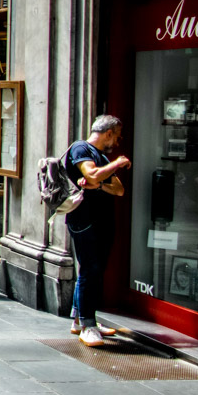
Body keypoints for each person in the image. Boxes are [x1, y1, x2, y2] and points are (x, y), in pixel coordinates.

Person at [64, 114, 130, 346]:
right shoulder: (81, 149)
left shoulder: (101, 156)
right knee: (90, 270)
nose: (118, 143)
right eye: (117, 136)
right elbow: (90, 174)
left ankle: (79, 318)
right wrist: (117, 164)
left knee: (94, 269)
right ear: (109, 133)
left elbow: (119, 189)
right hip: (84, 220)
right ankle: (88, 325)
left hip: (100, 220)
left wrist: (100, 184)